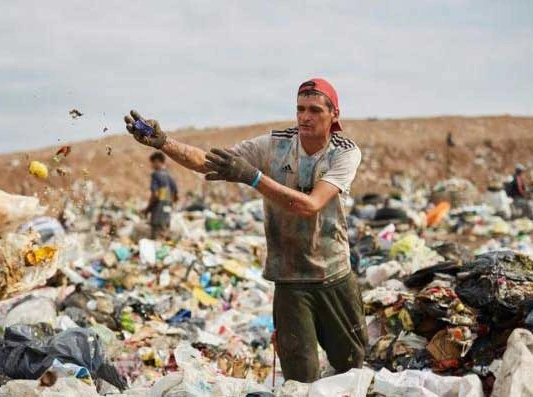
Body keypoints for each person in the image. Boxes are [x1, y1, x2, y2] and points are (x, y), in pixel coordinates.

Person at [124, 77, 368, 382]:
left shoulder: (344, 151)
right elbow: (210, 162)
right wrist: (164, 143)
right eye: (300, 109)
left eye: (315, 110)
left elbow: (310, 205)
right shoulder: (274, 145)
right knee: (300, 379)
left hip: (334, 275)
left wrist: (253, 178)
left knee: (351, 367)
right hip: (290, 280)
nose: (305, 116)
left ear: (334, 115)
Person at [144, 151, 178, 239]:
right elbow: (176, 195)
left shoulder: (156, 175)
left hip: (157, 214)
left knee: (156, 240)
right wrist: (168, 203)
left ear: (157, 161)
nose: (152, 166)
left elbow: (155, 195)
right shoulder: (169, 176)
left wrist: (147, 209)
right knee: (165, 239)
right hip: (167, 215)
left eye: (153, 163)